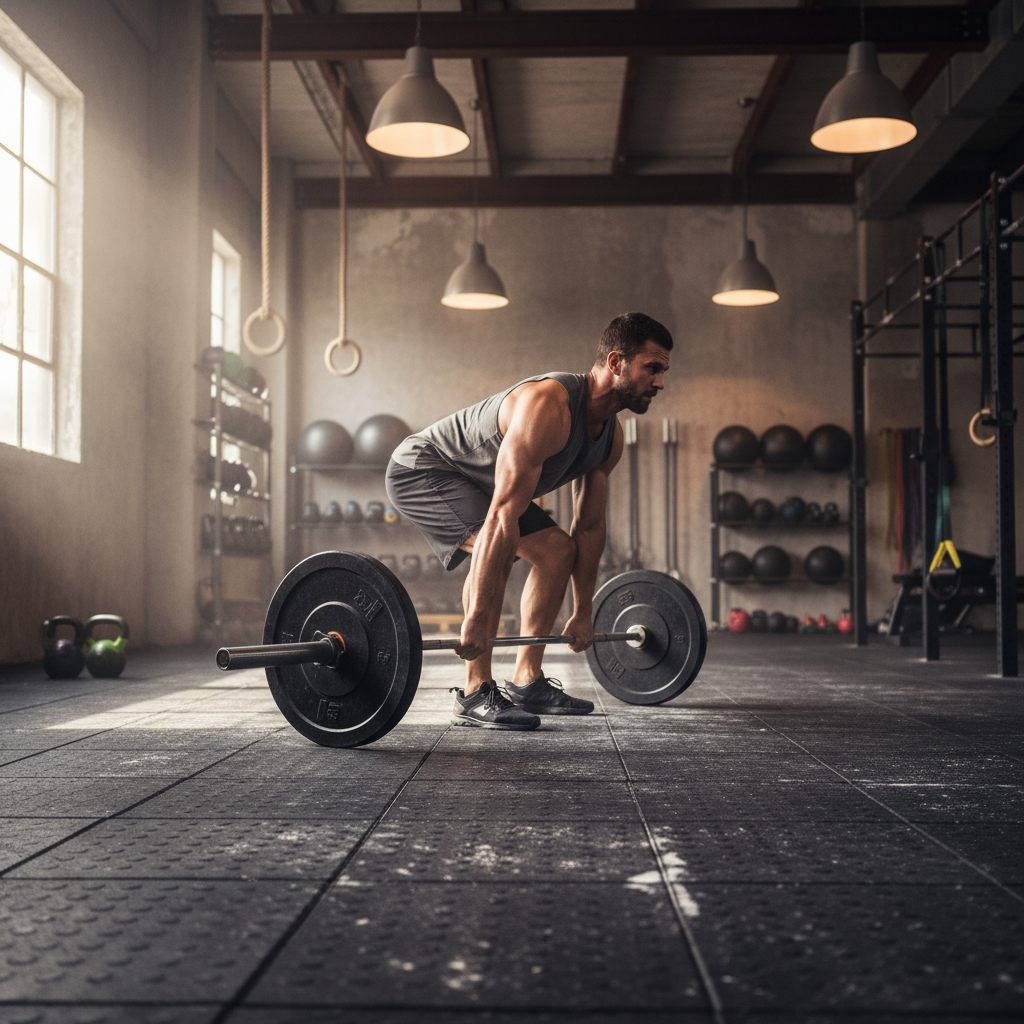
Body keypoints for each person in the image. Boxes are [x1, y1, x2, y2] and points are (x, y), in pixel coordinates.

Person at [385, 312, 672, 731]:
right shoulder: (548, 406)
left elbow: (589, 527)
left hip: (484, 485)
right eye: (653, 368)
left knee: (558, 550)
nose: (660, 382)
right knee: (500, 540)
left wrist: (585, 611)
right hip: (425, 470)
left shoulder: (610, 439)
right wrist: (478, 619)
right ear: (615, 362)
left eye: (663, 371)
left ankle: (527, 681)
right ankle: (473, 692)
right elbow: (503, 516)